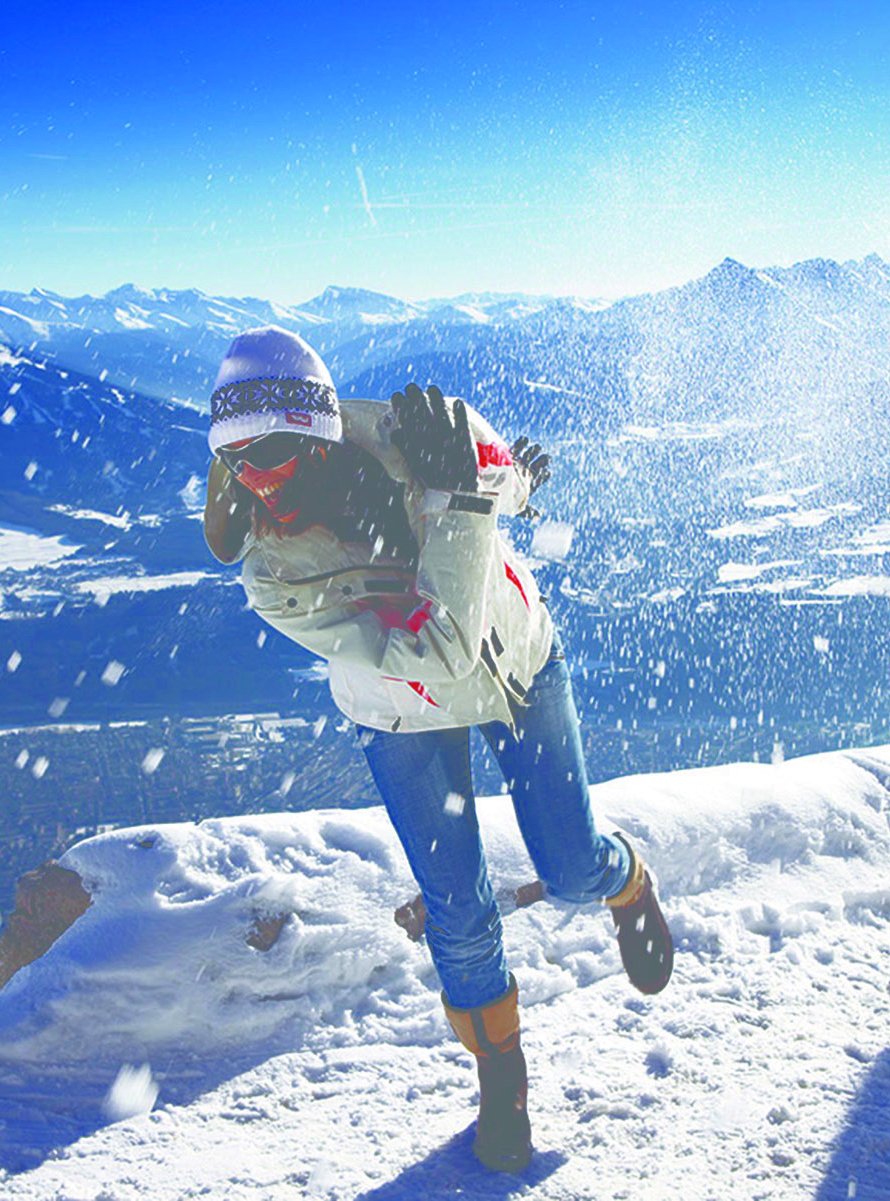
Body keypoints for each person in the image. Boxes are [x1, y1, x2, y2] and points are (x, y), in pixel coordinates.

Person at [202, 326, 674, 1172]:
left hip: (517, 661)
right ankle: (503, 1074)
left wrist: (511, 481)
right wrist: (456, 503)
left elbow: (495, 472)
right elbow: (439, 654)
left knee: (569, 868)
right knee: (456, 905)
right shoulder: (272, 576)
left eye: (273, 452)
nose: (258, 479)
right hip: (401, 705)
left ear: (318, 434)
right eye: (239, 459)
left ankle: (624, 879)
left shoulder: (419, 432)